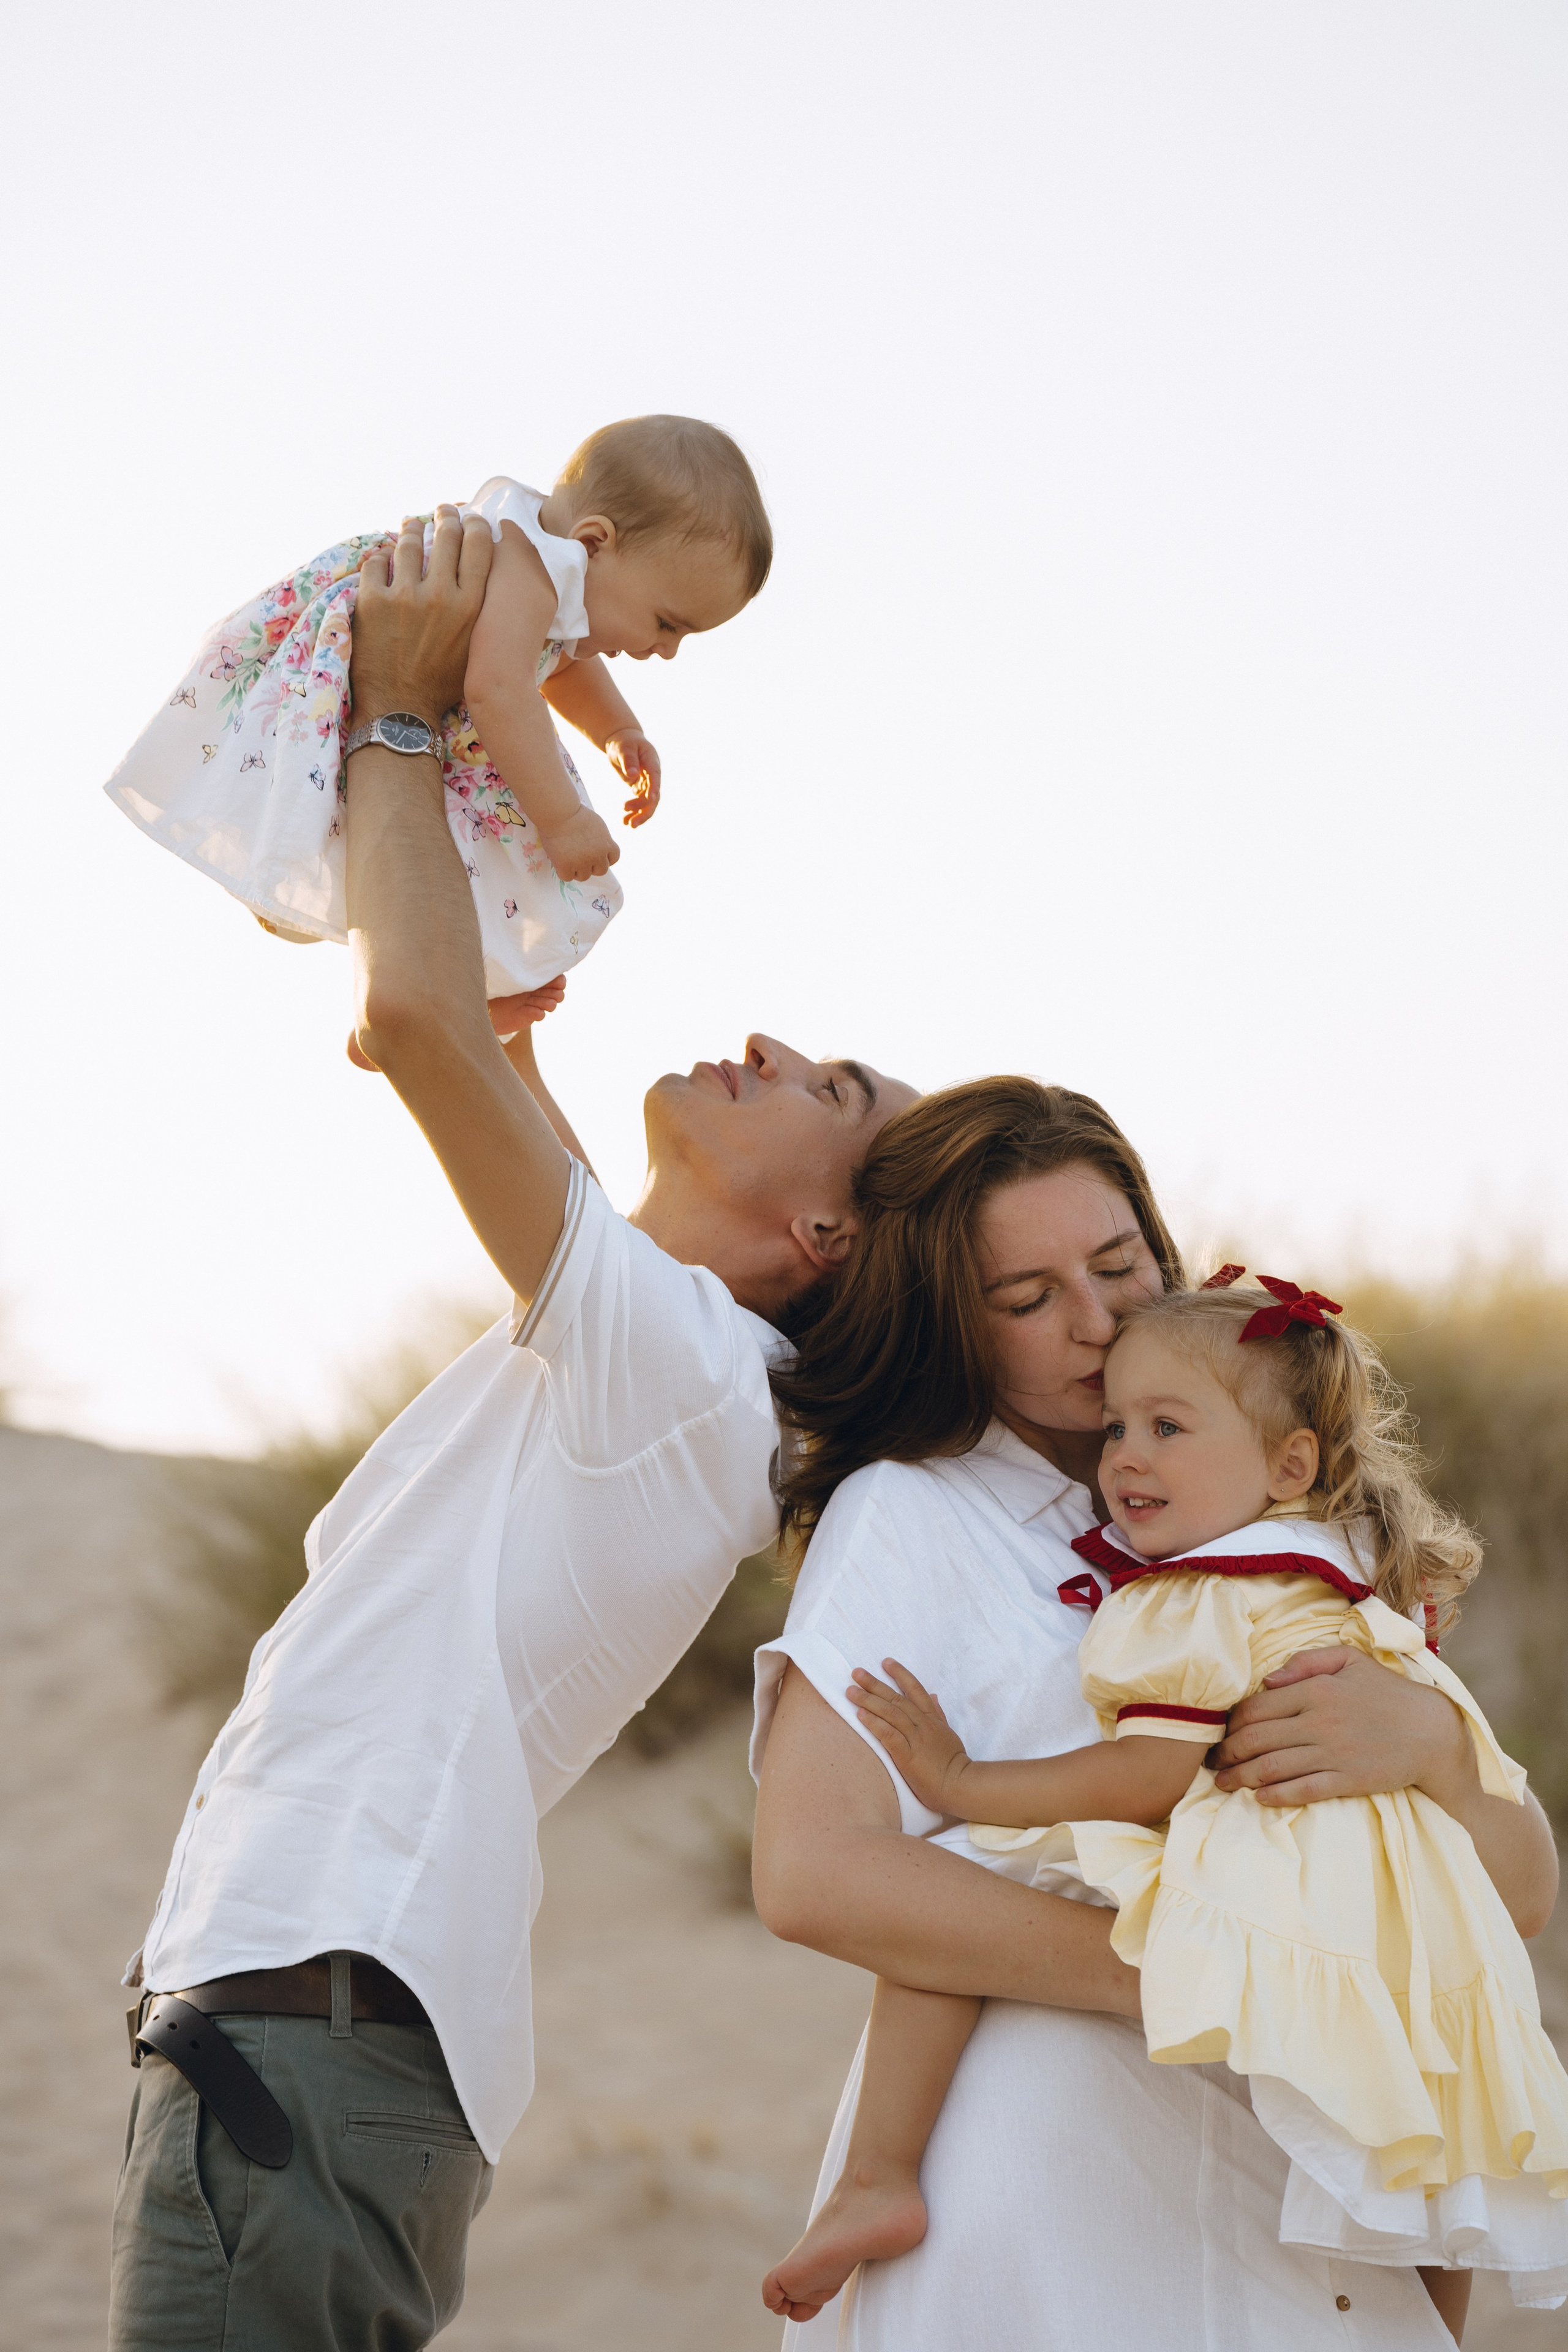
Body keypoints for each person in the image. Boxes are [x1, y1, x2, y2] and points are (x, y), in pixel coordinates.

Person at [107, 507, 916, 2352]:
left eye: (833, 1087)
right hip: (310, 2022)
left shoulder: (692, 1377)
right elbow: (444, 1028)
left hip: (314, 2015)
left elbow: (406, 1014)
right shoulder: (668, 1372)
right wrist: (509, 1038)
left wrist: (400, 717)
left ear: (827, 1236)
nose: (777, 1043)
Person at [750, 1076, 1560, 2351]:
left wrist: (1437, 1757)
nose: (1093, 1322)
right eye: (1026, 1300)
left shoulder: (1306, 1541)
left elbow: (1506, 1903)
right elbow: (812, 1874)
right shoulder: (919, 1515)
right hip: (1053, 2189)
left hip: (1318, 2183)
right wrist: (1211, 1979)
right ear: (957, 1327)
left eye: (1119, 1264)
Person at [104, 415, 770, 1000]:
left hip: (408, 699)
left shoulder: (550, 576)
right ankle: (430, 999)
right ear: (595, 542)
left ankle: (451, 1000)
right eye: (666, 622)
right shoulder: (528, 568)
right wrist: (564, 820)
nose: (667, 650)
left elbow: (562, 666)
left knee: (443, 874)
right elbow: (500, 689)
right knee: (487, 863)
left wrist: (618, 731)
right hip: (364, 673)